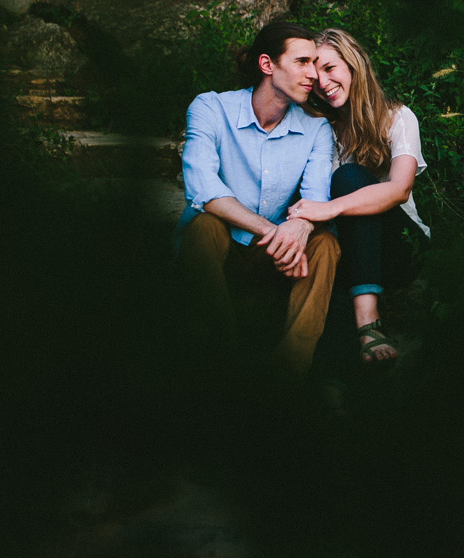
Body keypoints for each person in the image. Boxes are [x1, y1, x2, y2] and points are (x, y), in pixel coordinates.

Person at [175, 21, 340, 375]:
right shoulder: (211, 109)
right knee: (204, 225)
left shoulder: (316, 128)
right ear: (268, 65)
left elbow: (315, 199)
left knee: (325, 244)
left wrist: (301, 226)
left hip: (273, 259)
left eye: (315, 63)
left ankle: (287, 375)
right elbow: (203, 189)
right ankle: (221, 365)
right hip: (222, 248)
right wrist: (277, 229)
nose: (313, 74)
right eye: (302, 62)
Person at [288, 28, 430, 366]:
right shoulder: (323, 130)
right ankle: (332, 386)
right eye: (314, 72)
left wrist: (330, 207)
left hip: (397, 247)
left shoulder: (397, 117)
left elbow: (400, 188)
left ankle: (369, 321)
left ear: (353, 66)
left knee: (350, 177)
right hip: (349, 247)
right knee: (327, 272)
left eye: (330, 68)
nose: (321, 81)